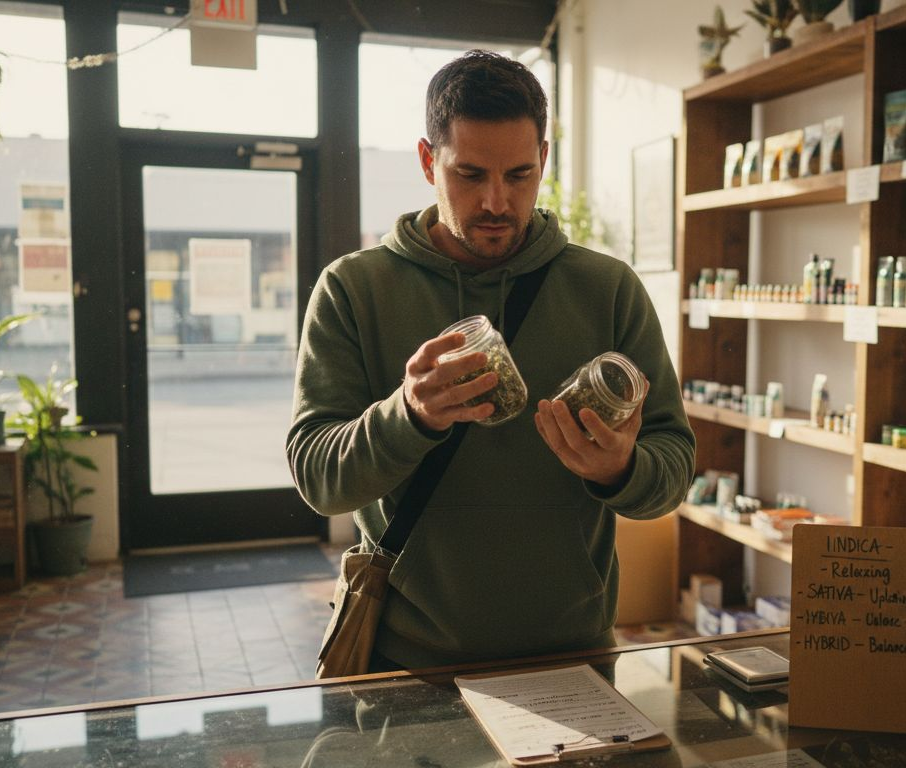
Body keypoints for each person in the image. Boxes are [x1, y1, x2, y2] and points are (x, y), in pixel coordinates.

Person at [287, 50, 695, 671]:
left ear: (544, 160)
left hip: (573, 655)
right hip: (408, 664)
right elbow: (318, 478)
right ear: (428, 161)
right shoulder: (353, 288)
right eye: (470, 174)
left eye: (520, 175)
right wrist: (409, 416)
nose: (497, 202)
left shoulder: (607, 289)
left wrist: (622, 470)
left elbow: (675, 466)